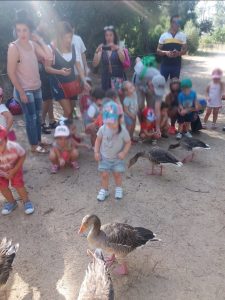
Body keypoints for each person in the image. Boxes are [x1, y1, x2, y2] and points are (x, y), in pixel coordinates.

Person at [7, 10, 51, 154]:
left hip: (36, 87)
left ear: (30, 30)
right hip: (24, 89)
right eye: (18, 30)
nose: (22, 33)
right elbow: (11, 72)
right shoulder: (14, 47)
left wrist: (38, 39)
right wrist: (21, 92)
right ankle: (33, 146)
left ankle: (38, 141)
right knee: (31, 118)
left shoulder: (32, 44)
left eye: (25, 30)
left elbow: (47, 56)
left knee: (37, 116)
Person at [45, 21, 90, 119]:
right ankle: (60, 132)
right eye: (66, 37)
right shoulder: (50, 48)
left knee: (70, 111)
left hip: (72, 83)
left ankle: (65, 131)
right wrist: (60, 72)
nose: (69, 40)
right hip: (58, 84)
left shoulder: (73, 47)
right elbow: (47, 68)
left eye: (70, 37)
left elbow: (78, 64)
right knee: (68, 110)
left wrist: (84, 80)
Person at [94, 101, 131, 201]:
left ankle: (118, 188)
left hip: (117, 158)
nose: (110, 125)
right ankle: (104, 190)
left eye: (113, 122)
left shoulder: (123, 131)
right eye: (108, 122)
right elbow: (98, 140)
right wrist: (96, 152)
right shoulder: (103, 128)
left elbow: (128, 142)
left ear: (119, 119)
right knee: (104, 175)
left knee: (117, 174)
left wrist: (124, 152)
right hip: (104, 157)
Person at [0, 126, 34, 215]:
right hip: (1, 171)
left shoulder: (14, 147)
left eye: (0, 143)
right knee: (2, 186)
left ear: (6, 139)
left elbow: (23, 155)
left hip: (15, 167)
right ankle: (11, 202)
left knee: (18, 184)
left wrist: (14, 170)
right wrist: (3, 173)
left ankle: (26, 201)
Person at [36, 19, 57, 134]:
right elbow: (36, 54)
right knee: (47, 97)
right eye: (44, 23)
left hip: (48, 68)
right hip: (42, 69)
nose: (46, 25)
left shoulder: (45, 37)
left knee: (49, 97)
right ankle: (41, 122)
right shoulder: (35, 37)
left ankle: (52, 120)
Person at [93, 26, 125, 91]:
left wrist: (117, 49)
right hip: (105, 76)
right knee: (106, 96)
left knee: (117, 96)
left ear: (114, 36)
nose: (108, 37)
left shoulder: (119, 46)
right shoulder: (102, 47)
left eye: (111, 35)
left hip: (117, 75)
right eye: (106, 35)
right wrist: (97, 51)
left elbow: (123, 60)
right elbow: (95, 64)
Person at [157, 15, 187, 80]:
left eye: (179, 22)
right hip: (165, 65)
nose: (177, 24)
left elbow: (185, 51)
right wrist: (166, 53)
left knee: (175, 87)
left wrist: (178, 53)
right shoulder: (163, 35)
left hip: (176, 65)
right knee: (160, 85)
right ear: (171, 23)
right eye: (175, 22)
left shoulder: (182, 36)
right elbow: (158, 50)